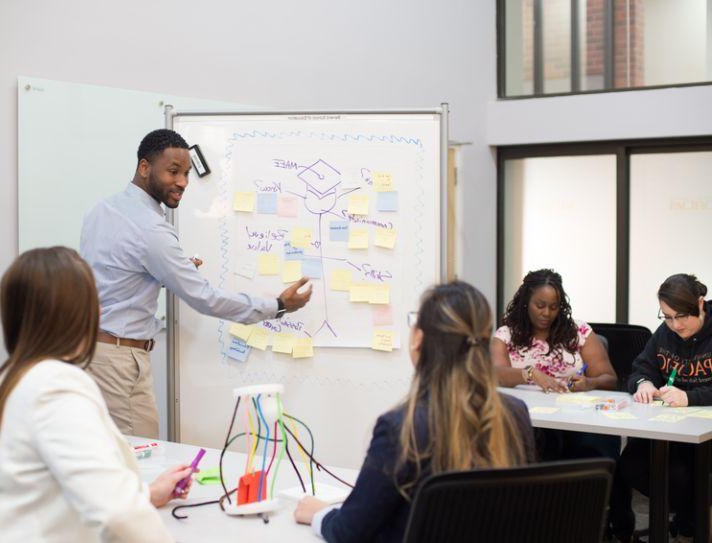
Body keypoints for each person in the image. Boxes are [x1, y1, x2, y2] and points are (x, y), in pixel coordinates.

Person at [80, 129, 312, 438]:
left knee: (109, 456)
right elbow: (205, 298)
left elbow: (116, 275)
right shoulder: (152, 230)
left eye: (187, 173)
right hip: (121, 362)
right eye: (173, 171)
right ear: (145, 167)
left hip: (94, 353)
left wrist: (171, 270)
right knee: (139, 460)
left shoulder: (102, 210)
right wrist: (279, 305)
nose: (183, 183)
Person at [0, 247, 191, 543]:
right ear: (70, 313)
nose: (101, 311)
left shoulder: (9, 379)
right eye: (93, 300)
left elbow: (60, 485)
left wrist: (147, 494)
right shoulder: (56, 387)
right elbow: (120, 516)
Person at [293, 281, 535, 543]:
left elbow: (349, 532)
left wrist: (321, 513)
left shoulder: (402, 428)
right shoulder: (515, 413)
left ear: (418, 339)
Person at [490, 269, 630, 539]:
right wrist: (530, 373)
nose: (546, 313)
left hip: (578, 419)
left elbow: (609, 377)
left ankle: (615, 526)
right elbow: (495, 374)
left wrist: (589, 383)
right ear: (525, 302)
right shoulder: (507, 334)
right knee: (530, 452)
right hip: (530, 421)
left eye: (553, 307)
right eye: (540, 305)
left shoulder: (578, 332)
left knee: (600, 451)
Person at [618, 273, 712, 542]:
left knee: (687, 472)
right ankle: (686, 520)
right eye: (667, 317)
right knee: (633, 464)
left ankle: (691, 523)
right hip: (670, 428)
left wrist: (690, 397)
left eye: (682, 316)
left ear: (701, 304)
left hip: (705, 433)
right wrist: (644, 383)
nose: (676, 325)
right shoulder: (666, 333)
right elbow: (641, 367)